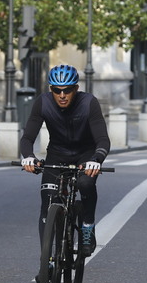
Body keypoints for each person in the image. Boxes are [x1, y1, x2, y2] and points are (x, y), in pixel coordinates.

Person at [20, 64, 110, 262]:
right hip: (57, 155)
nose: (62, 95)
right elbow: (27, 138)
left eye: (67, 90)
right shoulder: (42, 103)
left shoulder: (89, 103)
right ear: (50, 89)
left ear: (75, 89)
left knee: (85, 183)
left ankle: (87, 225)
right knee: (47, 202)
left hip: (84, 155)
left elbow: (103, 139)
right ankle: (48, 261)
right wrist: (28, 157)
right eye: (56, 90)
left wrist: (96, 159)